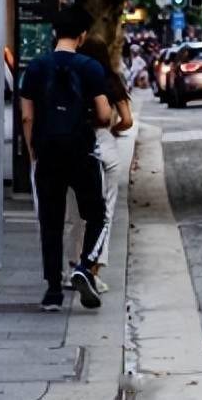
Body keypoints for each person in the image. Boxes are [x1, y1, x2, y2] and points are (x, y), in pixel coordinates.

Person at [17, 6, 114, 311]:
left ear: (54, 33)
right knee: (96, 214)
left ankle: (52, 292)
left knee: (50, 221)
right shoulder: (90, 68)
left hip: (47, 152)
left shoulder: (35, 67)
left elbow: (27, 117)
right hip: (81, 152)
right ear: (82, 36)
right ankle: (84, 267)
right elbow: (104, 113)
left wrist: (34, 150)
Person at [76, 37, 136, 292]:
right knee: (106, 213)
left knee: (78, 215)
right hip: (107, 149)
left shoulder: (78, 79)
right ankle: (93, 269)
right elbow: (128, 120)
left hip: (80, 150)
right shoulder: (111, 80)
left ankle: (72, 267)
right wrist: (113, 128)